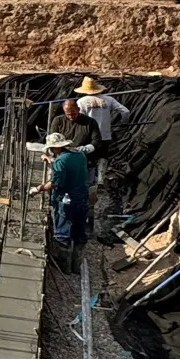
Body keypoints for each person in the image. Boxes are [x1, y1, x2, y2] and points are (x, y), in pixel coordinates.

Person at [44, 130, 91, 270]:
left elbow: (56, 183)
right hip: (81, 198)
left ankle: (64, 266)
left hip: (65, 201)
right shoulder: (80, 155)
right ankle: (77, 266)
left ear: (55, 148)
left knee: (62, 233)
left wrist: (39, 188)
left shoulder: (60, 161)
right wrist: (50, 160)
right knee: (79, 231)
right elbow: (68, 167)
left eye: (51, 149)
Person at [77, 74, 130, 181]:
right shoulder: (109, 99)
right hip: (105, 133)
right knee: (103, 156)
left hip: (89, 135)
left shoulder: (81, 102)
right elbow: (125, 111)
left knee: (89, 157)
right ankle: (100, 179)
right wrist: (123, 123)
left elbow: (79, 119)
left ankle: (89, 180)